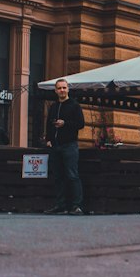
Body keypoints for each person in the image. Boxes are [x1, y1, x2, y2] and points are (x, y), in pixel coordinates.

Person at [45, 78, 84, 215]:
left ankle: (76, 206)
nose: (62, 90)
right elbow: (49, 124)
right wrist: (48, 139)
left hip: (69, 145)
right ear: (56, 91)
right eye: (59, 88)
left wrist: (65, 123)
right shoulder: (53, 107)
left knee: (72, 175)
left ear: (68, 89)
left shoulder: (74, 106)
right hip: (55, 146)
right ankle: (60, 205)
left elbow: (80, 124)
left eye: (64, 88)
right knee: (58, 176)